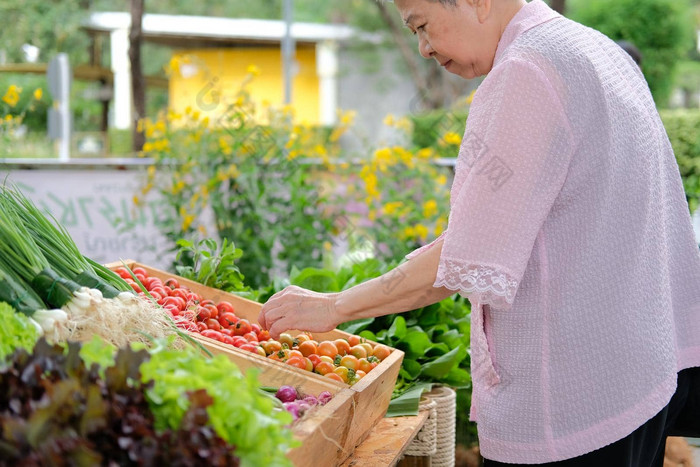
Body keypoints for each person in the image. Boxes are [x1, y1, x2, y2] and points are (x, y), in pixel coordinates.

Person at [258, 0, 700, 464]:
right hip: (636, 376)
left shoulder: (526, 71)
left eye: (423, 26)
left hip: (571, 401)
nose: (425, 49)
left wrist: (333, 305)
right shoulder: (592, 47)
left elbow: (468, 255)